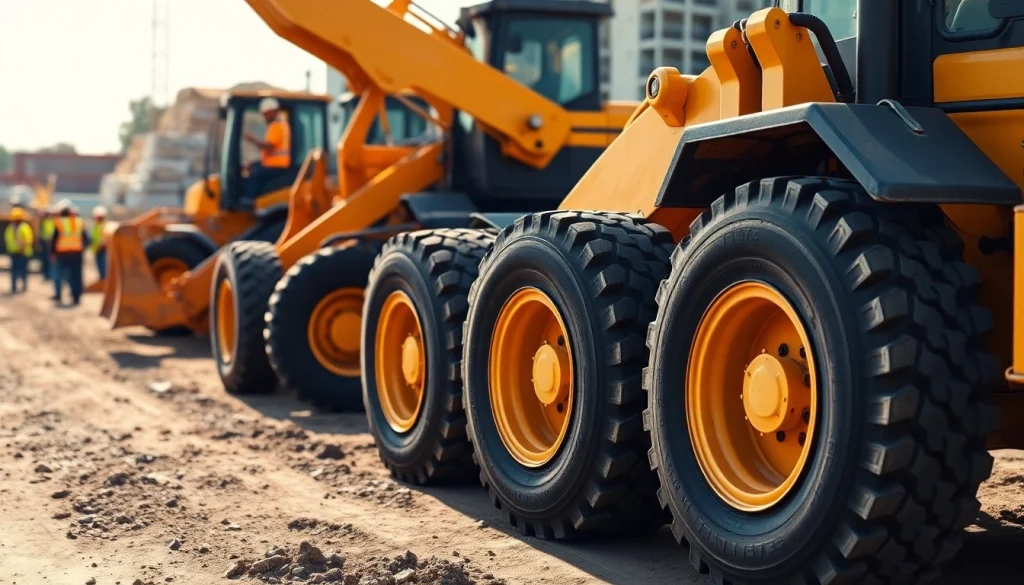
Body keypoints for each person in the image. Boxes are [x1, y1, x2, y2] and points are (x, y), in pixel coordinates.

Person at [242, 97, 292, 202]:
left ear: (273, 111)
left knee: (254, 175)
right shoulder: (281, 124)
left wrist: (253, 140)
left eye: (266, 113)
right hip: (274, 163)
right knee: (253, 166)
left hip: (277, 165)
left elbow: (269, 147)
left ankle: (248, 201)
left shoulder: (276, 126)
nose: (264, 116)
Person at [51, 200, 89, 306]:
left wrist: (52, 253)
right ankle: (76, 296)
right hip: (77, 254)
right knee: (76, 275)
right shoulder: (80, 222)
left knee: (60, 274)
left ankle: (58, 294)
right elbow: (86, 239)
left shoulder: (59, 222)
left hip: (63, 254)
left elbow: (54, 239)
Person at [4, 207, 34, 294]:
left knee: (23, 270)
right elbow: (8, 239)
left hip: (23, 252)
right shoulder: (10, 228)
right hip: (13, 252)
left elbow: (28, 240)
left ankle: (23, 286)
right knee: (14, 271)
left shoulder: (24, 227)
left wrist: (22, 248)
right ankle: (14, 287)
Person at [90, 206, 108, 280]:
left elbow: (105, 239)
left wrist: (101, 246)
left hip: (103, 249)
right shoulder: (96, 225)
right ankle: (102, 279)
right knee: (100, 266)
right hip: (97, 249)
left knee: (103, 265)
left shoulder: (105, 225)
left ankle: (104, 280)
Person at [39, 207, 56, 282]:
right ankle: (47, 275)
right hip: (45, 244)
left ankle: (50, 276)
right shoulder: (44, 222)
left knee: (50, 261)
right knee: (45, 261)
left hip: (49, 244)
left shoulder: (52, 222)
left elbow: (51, 234)